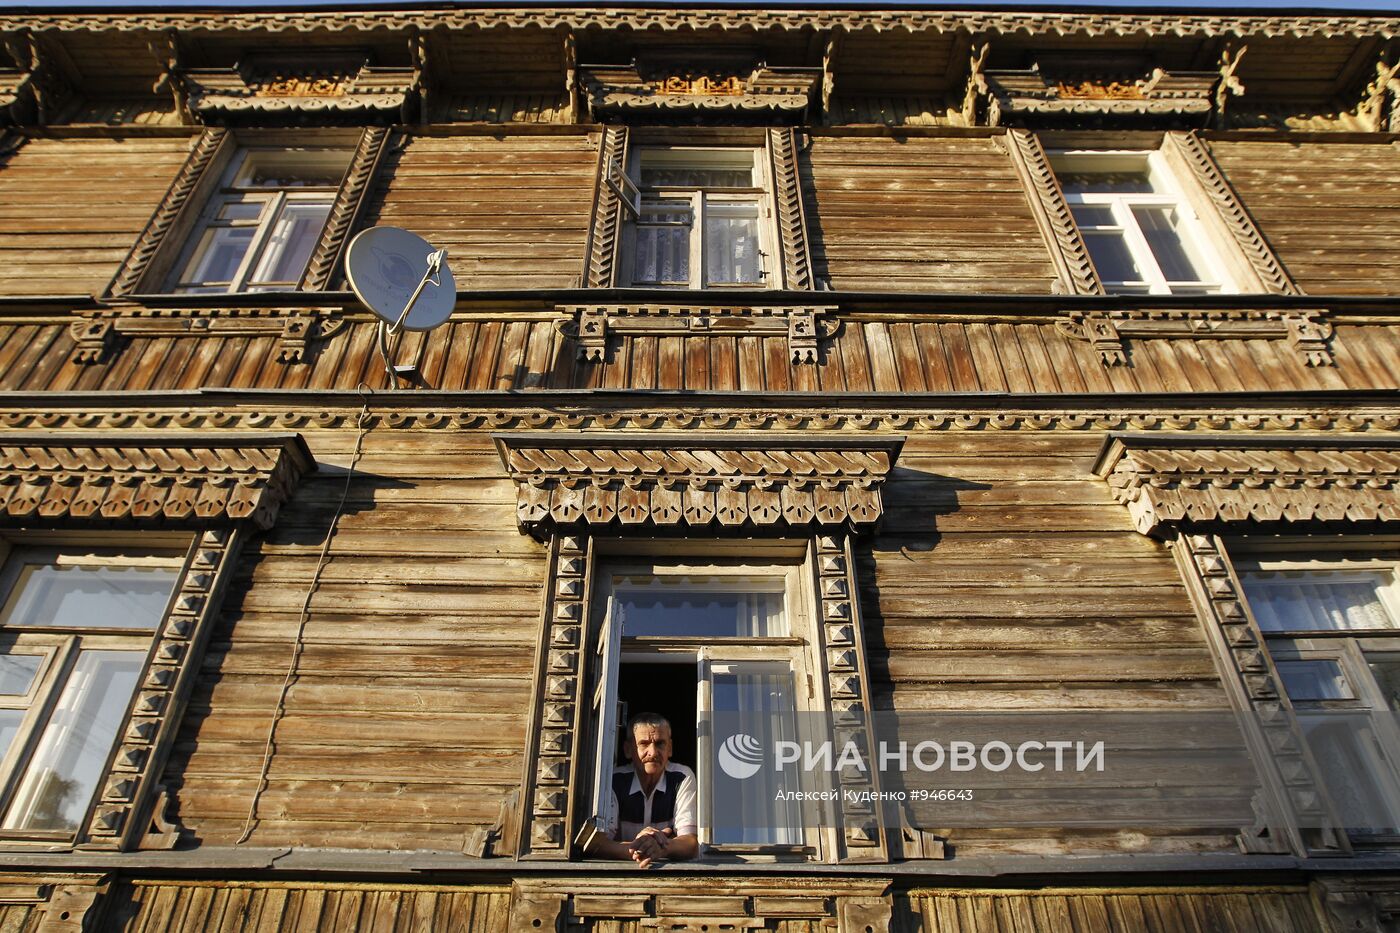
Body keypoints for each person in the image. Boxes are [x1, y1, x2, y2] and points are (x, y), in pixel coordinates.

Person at [587, 711, 699, 868]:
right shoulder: (614, 780)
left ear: (670, 749)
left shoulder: (681, 777)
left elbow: (691, 843)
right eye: (644, 744)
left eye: (660, 743)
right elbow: (597, 844)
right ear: (627, 750)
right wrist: (640, 848)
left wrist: (661, 848)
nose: (653, 752)